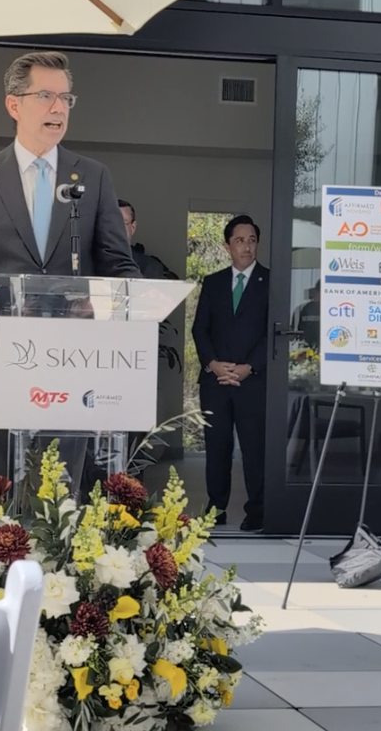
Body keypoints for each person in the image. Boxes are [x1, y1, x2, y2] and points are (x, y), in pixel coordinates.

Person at [0, 51, 140, 484]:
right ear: (14, 105)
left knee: (59, 496)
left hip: (70, 361)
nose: (58, 107)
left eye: (66, 98)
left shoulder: (93, 176)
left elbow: (120, 266)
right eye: (46, 95)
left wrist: (117, 300)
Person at [192, 215, 269, 531]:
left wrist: (249, 367)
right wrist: (213, 364)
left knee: (254, 449)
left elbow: (272, 332)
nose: (247, 247)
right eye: (239, 240)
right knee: (217, 446)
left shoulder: (271, 282)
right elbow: (200, 329)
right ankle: (216, 508)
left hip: (252, 381)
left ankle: (258, 510)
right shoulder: (213, 282)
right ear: (227, 245)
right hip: (216, 381)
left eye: (251, 240)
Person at [118, 200, 178, 279]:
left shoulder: (151, 267)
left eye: (123, 223)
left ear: (133, 227)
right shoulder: (96, 264)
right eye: (111, 222)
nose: (117, 228)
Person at [296, 280, 321, 349]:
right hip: (307, 350)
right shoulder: (302, 309)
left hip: (307, 350)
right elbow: (294, 333)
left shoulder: (302, 308)